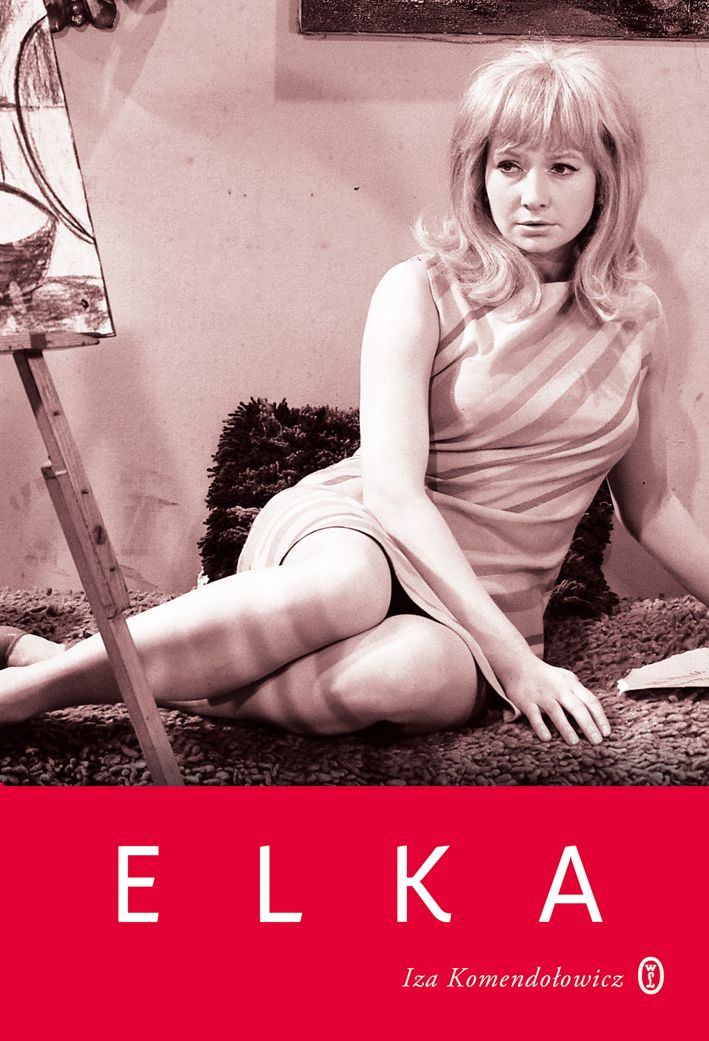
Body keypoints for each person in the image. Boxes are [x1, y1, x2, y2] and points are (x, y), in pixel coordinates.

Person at [1, 43, 706, 746]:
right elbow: (394, 495)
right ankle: (30, 693)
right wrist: (517, 667)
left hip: (488, 605)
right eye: (509, 165)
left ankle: (64, 664)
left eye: (562, 168)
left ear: (606, 177)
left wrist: (513, 657)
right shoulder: (422, 288)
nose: (532, 195)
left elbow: (650, 506)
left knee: (417, 677)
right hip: (359, 534)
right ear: (478, 172)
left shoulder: (636, 318)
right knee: (349, 585)